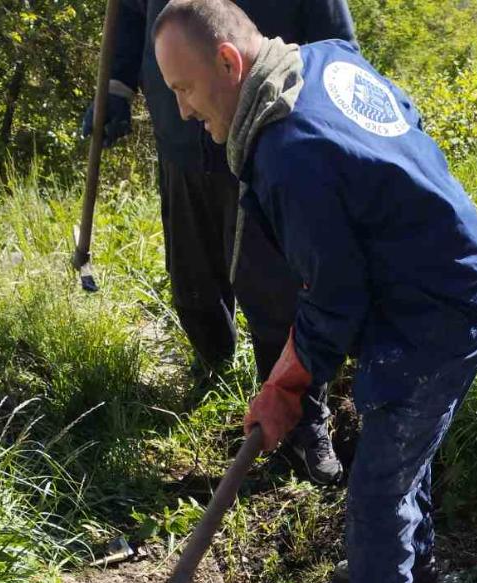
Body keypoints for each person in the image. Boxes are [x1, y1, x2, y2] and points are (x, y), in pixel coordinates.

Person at [152, 0, 477, 583]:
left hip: (438, 314)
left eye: (185, 90)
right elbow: (405, 115)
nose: (186, 112)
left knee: (377, 483)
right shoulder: (321, 61)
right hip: (439, 279)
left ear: (228, 63)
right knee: (400, 446)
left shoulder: (291, 156)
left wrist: (286, 383)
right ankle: (412, 565)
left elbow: (334, 300)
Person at [82, 0, 355, 484]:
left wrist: (331, 110)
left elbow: (336, 41)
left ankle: (300, 419)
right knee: (193, 275)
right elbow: (128, 12)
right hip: (181, 138)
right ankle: (212, 363)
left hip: (267, 132)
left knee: (277, 289)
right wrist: (117, 88)